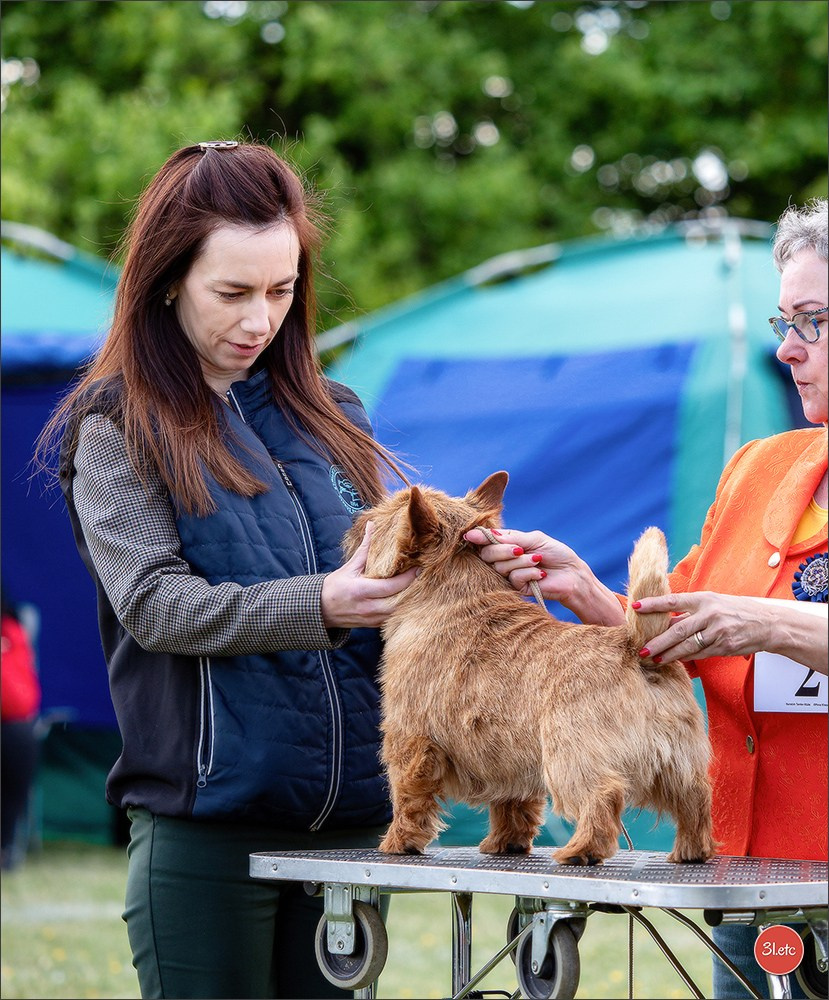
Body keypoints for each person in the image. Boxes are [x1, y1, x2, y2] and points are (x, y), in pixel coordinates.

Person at [37, 140, 416, 1000]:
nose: (261, 319)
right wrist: (324, 601)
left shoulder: (336, 414)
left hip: (357, 827)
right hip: (206, 833)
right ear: (169, 278)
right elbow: (157, 607)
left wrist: (461, 571)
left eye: (281, 291)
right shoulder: (116, 424)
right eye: (233, 292)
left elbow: (380, 575)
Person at [465, 198, 828, 1000]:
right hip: (745, 876)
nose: (788, 351)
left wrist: (764, 622)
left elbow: (744, 623)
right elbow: (683, 635)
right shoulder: (756, 468)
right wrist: (590, 593)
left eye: (812, 322)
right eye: (782, 324)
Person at [1, 589, 42, 871]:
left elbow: (22, 695)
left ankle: (6, 846)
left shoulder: (13, 628)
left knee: (21, 739)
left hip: (14, 726)